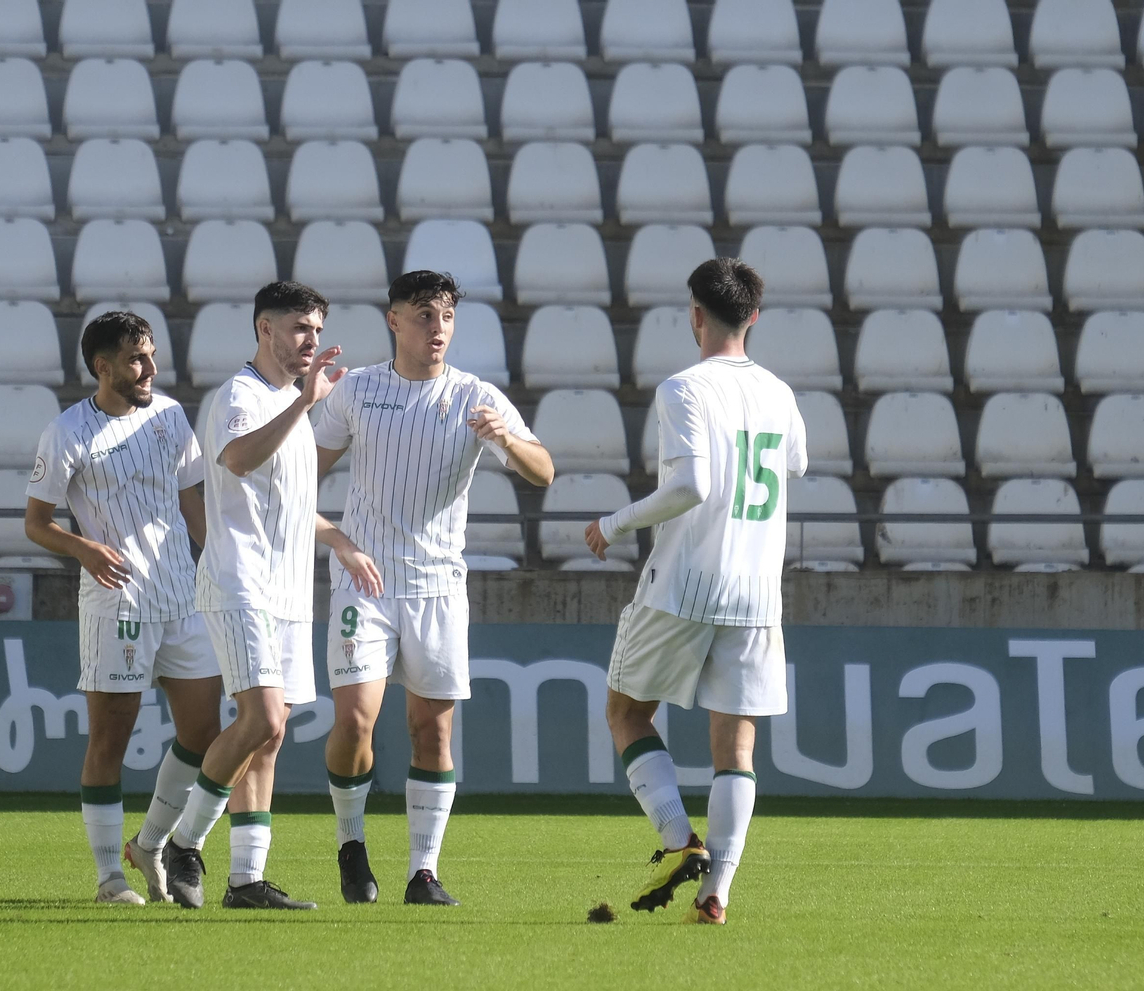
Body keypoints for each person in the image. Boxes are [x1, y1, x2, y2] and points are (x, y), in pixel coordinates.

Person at [314, 270, 555, 906]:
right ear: (394, 320)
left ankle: (423, 871)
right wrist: (335, 540)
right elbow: (296, 480)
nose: (438, 328)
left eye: (446, 316)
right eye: (424, 315)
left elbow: (544, 471)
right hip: (363, 580)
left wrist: (505, 438)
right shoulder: (358, 391)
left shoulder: (476, 396)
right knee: (356, 720)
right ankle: (351, 842)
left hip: (439, 587)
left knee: (433, 733)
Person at [585, 259, 807, 926]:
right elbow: (793, 462)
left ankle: (682, 840)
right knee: (734, 750)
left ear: (695, 314)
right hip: (755, 590)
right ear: (755, 318)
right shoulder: (780, 392)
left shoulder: (684, 388)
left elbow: (691, 487)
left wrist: (613, 522)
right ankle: (718, 895)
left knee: (626, 713)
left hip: (683, 582)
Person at [160, 281, 383, 911]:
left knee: (270, 739)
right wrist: (304, 404)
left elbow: (294, 504)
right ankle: (184, 842)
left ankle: (246, 881)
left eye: (316, 330)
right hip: (239, 582)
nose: (309, 342)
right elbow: (235, 458)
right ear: (265, 329)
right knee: (264, 718)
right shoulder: (242, 394)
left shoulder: (294, 403)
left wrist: (339, 540)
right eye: (298, 329)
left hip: (287, 592)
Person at [23, 310, 222, 905]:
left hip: (183, 596)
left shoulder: (169, 416)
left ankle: (151, 842)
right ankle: (110, 875)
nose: (150, 369)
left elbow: (193, 504)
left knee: (205, 731)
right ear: (102, 366)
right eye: (137, 359)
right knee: (111, 738)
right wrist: (82, 546)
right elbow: (37, 524)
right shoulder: (67, 432)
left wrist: (224, 569)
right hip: (118, 601)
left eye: (152, 355)